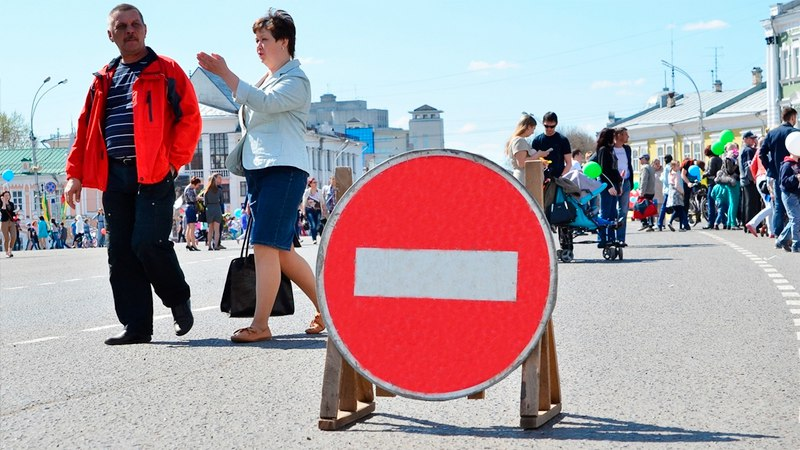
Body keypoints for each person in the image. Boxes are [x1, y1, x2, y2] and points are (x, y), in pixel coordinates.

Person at [64, 4, 200, 345]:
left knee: (147, 243)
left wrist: (173, 162)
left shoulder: (166, 70)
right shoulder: (102, 80)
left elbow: (190, 118)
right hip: (114, 175)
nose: (129, 30)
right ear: (111, 35)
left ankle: (177, 297)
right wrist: (74, 174)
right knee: (121, 252)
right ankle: (137, 327)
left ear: (145, 29)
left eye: (135, 24)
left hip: (155, 173)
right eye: (121, 26)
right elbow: (85, 132)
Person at [197, 8, 326, 343]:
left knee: (265, 246)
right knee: (281, 251)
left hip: (283, 171)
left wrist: (225, 73)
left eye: (264, 39)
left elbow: (266, 104)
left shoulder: (296, 80)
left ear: (283, 41)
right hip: (262, 171)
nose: (258, 46)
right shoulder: (267, 78)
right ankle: (329, 310)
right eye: (255, 40)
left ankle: (261, 325)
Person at [760, 106, 797, 239]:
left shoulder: (772, 133)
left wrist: (770, 167)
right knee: (795, 204)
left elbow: (762, 153)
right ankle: (792, 234)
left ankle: (777, 233)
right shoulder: (795, 133)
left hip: (777, 173)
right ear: (792, 117)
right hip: (793, 172)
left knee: (779, 205)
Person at [505, 113, 551, 183]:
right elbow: (521, 163)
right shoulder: (519, 141)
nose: (533, 132)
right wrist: (538, 154)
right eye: (533, 128)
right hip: (524, 180)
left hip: (527, 180)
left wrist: (540, 162)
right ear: (529, 126)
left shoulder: (519, 140)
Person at [595, 128, 620, 247]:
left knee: (612, 213)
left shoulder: (611, 150)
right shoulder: (603, 150)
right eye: (614, 136)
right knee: (605, 212)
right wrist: (609, 186)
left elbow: (614, 169)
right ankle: (602, 239)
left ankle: (611, 237)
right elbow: (603, 170)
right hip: (606, 184)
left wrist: (619, 183)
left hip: (614, 183)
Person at [530, 111, 572, 179]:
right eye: (546, 126)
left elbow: (569, 163)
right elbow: (532, 160)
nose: (549, 129)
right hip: (541, 178)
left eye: (552, 126)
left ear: (556, 124)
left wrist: (561, 177)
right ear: (543, 123)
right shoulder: (537, 141)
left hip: (558, 178)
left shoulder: (563, 140)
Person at [746, 138, 773, 238]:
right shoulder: (767, 151)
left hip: (758, 179)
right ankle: (753, 223)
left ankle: (771, 231)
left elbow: (752, 166)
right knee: (772, 206)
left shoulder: (758, 152)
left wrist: (754, 178)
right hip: (766, 178)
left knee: (769, 205)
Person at [776, 149, 800, 252]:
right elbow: (784, 182)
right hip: (789, 195)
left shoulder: (797, 164)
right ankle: (796, 244)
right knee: (795, 219)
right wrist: (796, 177)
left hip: (795, 194)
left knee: (795, 219)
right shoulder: (787, 165)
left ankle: (781, 240)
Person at [199, 173, 224, 250]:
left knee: (210, 229)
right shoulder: (219, 190)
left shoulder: (206, 191)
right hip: (217, 208)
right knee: (217, 230)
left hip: (209, 209)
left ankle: (209, 246)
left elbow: (205, 203)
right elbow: (222, 201)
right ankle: (216, 246)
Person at [302, 178, 326, 244]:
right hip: (309, 210)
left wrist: (324, 210)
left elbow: (322, 201)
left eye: (316, 182)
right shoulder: (307, 191)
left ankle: (320, 229)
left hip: (318, 210)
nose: (315, 184)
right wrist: (303, 211)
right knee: (313, 225)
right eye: (314, 182)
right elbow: (304, 201)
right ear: (310, 184)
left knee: (317, 224)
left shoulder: (319, 191)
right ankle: (314, 239)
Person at [637, 154, 656, 231]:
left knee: (640, 207)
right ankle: (650, 224)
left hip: (645, 191)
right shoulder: (651, 167)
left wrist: (641, 191)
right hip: (651, 191)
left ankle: (644, 223)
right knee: (649, 208)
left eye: (641, 158)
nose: (640, 160)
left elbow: (644, 180)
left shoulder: (644, 168)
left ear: (645, 159)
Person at [183, 176, 201, 251]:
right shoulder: (190, 189)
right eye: (198, 185)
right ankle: (193, 245)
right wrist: (199, 198)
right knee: (192, 228)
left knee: (189, 227)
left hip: (188, 208)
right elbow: (192, 199)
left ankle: (188, 244)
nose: (198, 186)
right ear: (195, 184)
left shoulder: (188, 188)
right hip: (191, 208)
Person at [656, 154, 673, 231]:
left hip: (666, 189)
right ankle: (661, 223)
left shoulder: (666, 167)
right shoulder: (671, 167)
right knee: (676, 206)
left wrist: (661, 178)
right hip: (670, 189)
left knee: (663, 207)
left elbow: (664, 180)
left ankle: (660, 223)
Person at [1, 191, 17, 257]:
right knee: (6, 238)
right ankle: (7, 252)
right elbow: (3, 211)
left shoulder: (11, 204)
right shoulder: (1, 203)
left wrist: (16, 212)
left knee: (13, 236)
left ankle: (10, 250)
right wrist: (3, 202)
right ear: (3, 197)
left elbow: (12, 213)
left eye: (8, 195)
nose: (7, 197)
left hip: (11, 222)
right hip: (4, 222)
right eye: (6, 195)